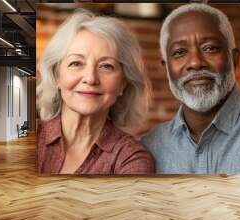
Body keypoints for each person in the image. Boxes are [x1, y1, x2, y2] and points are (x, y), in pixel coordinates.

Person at [36, 10, 155, 174]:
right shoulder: (28, 137)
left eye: (106, 66)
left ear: (123, 83)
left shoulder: (131, 158)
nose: (90, 78)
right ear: (57, 75)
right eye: (76, 63)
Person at [141, 3, 240, 174]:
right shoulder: (151, 147)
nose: (195, 63)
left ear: (234, 59)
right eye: (179, 52)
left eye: (210, 48)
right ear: (166, 68)